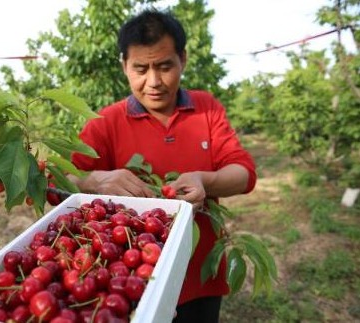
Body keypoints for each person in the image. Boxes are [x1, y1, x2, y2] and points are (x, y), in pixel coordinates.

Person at [68, 8, 256, 323]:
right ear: (124, 65)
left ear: (183, 58)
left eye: (165, 66)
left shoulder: (205, 108)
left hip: (200, 277)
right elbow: (61, 179)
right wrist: (93, 181)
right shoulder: (105, 122)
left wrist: (204, 181)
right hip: (131, 279)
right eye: (140, 68)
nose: (153, 81)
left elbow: (243, 173)